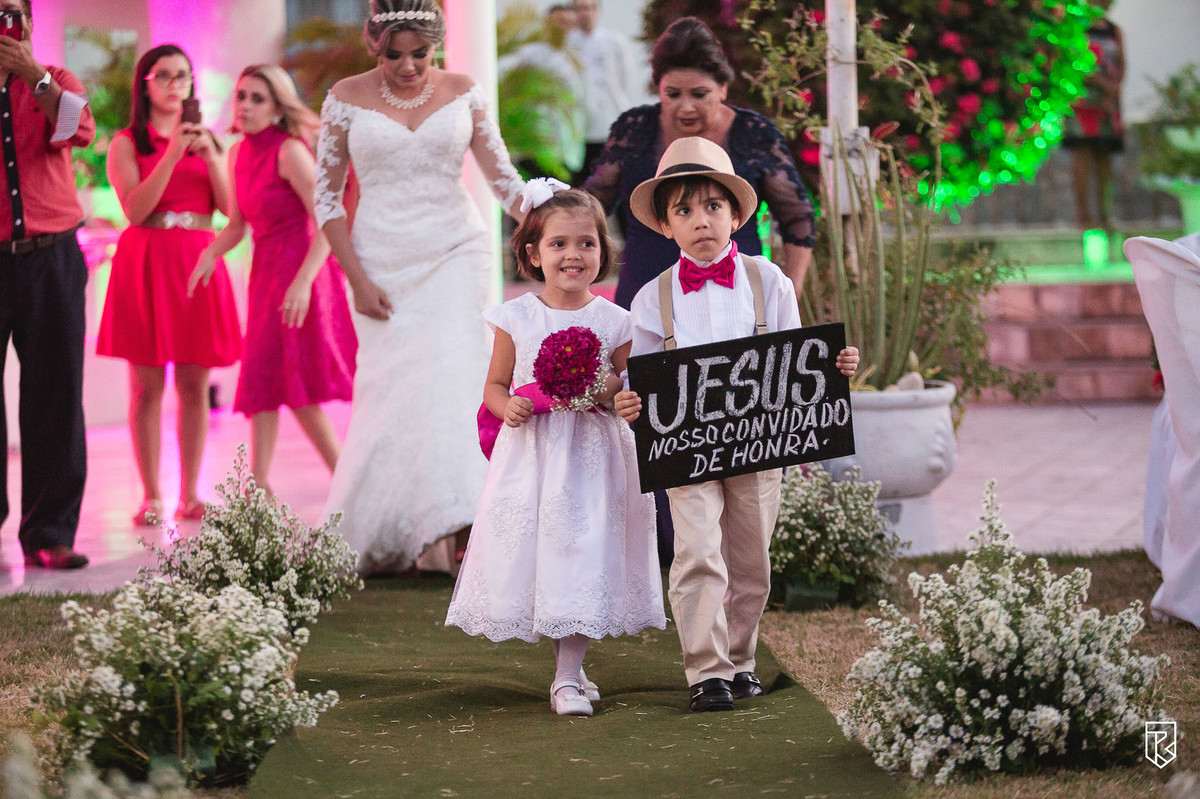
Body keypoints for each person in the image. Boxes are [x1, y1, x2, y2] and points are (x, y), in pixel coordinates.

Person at [614, 137, 858, 712]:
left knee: (751, 560)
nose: (701, 221)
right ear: (666, 228)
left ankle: (741, 660)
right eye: (684, 211)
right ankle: (706, 671)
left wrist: (832, 366)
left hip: (757, 444)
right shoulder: (653, 299)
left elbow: (794, 363)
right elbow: (640, 378)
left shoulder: (769, 281)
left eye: (712, 207)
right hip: (688, 448)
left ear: (736, 215)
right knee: (697, 552)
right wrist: (630, 400)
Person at [314, 0, 526, 576]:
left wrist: (556, 211)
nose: (408, 67)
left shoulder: (463, 90)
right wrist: (355, 279)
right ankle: (402, 531)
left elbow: (504, 180)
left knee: (457, 384)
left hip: (458, 251)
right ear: (373, 45)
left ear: (436, 46)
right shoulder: (345, 98)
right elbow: (328, 200)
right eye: (394, 55)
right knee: (395, 392)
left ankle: (464, 530)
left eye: (420, 54)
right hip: (380, 263)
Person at [445, 183, 665, 716]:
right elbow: (494, 386)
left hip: (592, 456)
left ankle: (566, 676)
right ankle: (571, 668)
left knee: (582, 554)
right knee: (547, 556)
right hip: (535, 457)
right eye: (559, 244)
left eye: (587, 244)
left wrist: (609, 392)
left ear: (603, 252)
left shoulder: (616, 321)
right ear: (532, 254)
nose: (573, 255)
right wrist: (508, 407)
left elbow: (630, 387)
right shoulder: (515, 318)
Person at [188, 64, 356, 495]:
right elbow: (238, 225)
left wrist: (302, 282)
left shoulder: (289, 151)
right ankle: (258, 488)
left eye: (257, 98)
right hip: (264, 275)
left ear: (278, 107)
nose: (245, 105)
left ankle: (348, 483)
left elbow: (327, 221)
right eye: (241, 95)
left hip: (303, 272)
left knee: (297, 388)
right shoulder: (238, 153)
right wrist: (210, 252)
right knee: (262, 380)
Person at [97, 44, 241, 525]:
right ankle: (150, 495)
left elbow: (228, 209)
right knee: (146, 386)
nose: (176, 84)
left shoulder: (209, 139)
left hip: (197, 260)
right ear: (146, 83)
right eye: (165, 76)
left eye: (183, 76)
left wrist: (212, 157)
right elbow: (135, 210)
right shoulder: (125, 142)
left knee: (195, 385)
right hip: (147, 258)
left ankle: (191, 493)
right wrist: (174, 152)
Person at [583, 16, 815, 308]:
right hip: (646, 291)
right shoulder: (634, 129)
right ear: (658, 89)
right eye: (673, 94)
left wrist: (787, 297)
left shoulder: (754, 134)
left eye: (699, 94)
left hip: (736, 293)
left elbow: (797, 218)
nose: (686, 106)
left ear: (723, 89)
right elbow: (592, 206)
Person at [0, 0, 94, 569]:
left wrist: (32, 75)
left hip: (51, 256)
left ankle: (49, 534)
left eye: (10, 10)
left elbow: (78, 130)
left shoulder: (56, 80)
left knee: (56, 397)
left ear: (29, 21)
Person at [1062, 0, 1124, 230]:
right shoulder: (1076, 26)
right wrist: (1099, 82)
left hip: (1108, 103)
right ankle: (1084, 216)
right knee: (1083, 155)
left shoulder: (1114, 31)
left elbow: (1121, 65)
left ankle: (1105, 215)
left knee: (1104, 157)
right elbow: (1074, 62)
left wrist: (1112, 91)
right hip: (1081, 100)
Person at [567, 0, 640, 186]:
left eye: (590, 8)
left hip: (611, 119)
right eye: (580, 8)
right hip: (580, 128)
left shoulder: (615, 41)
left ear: (598, 11)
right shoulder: (568, 43)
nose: (586, 13)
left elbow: (627, 78)